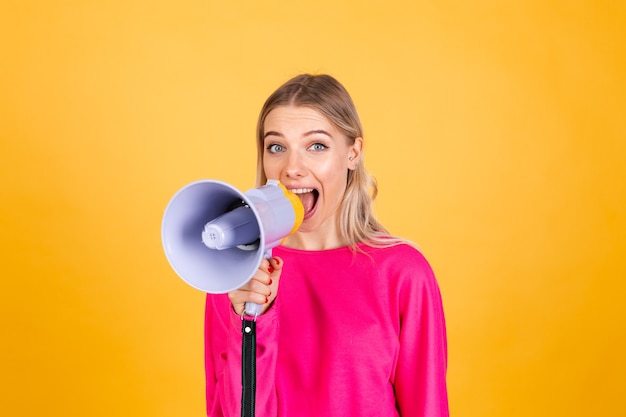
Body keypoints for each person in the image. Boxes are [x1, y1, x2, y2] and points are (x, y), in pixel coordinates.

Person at [204, 74, 449, 416]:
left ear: (353, 153)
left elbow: (427, 406)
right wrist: (247, 321)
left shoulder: (402, 273)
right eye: (277, 147)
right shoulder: (234, 275)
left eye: (316, 146)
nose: (292, 169)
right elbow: (228, 409)